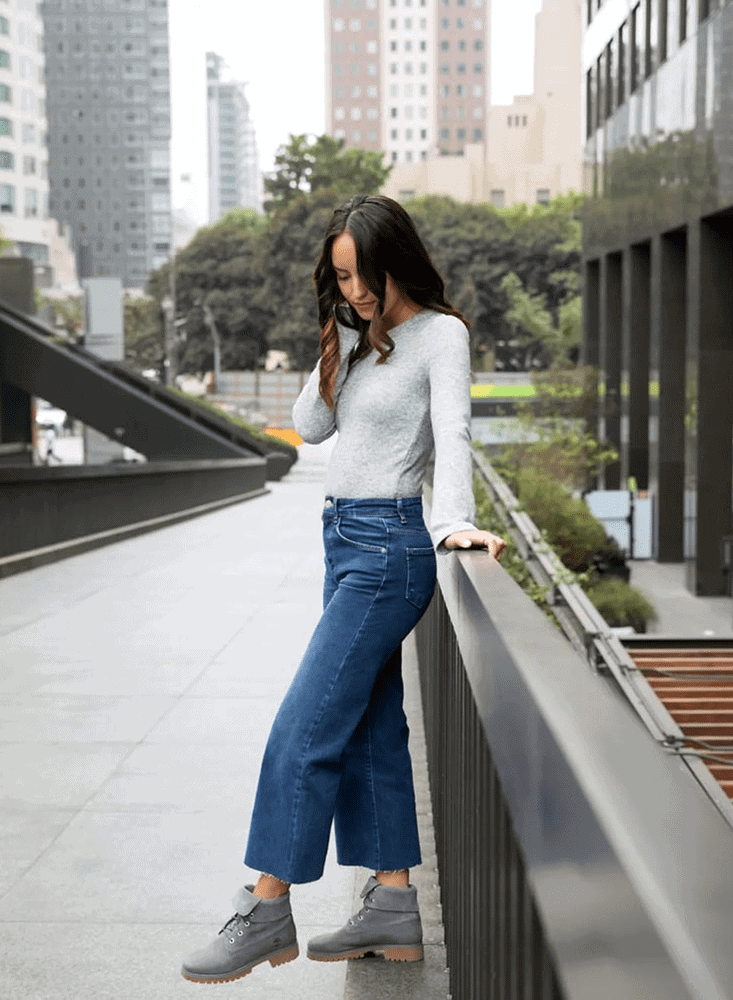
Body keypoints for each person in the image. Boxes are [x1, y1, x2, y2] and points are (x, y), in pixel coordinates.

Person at [181, 194, 505, 985]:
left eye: (360, 274)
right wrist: (338, 338)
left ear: (396, 258)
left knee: (304, 723)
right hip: (341, 544)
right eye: (340, 278)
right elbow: (312, 427)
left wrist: (455, 519)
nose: (353, 289)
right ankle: (391, 905)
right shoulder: (361, 342)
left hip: (390, 548)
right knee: (368, 728)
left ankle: (266, 905)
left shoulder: (441, 336)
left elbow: (454, 430)